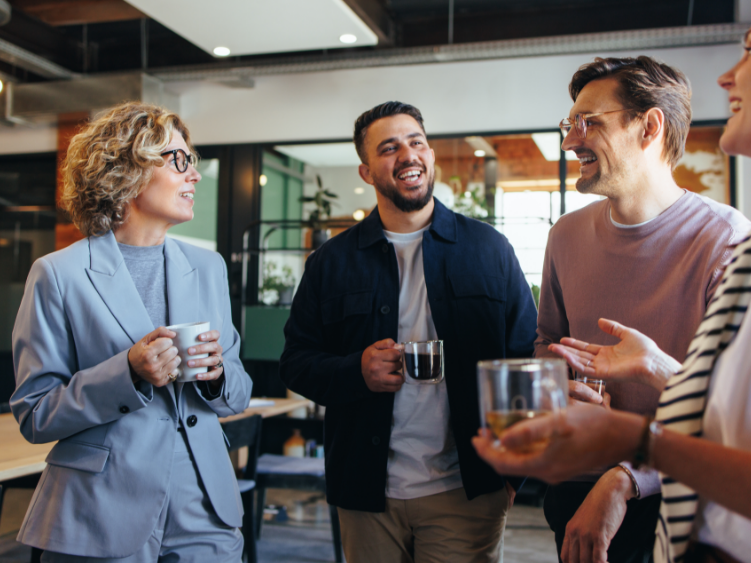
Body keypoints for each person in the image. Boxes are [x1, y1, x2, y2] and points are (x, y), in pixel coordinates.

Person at [473, 35, 751, 563]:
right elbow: (547, 344)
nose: (570, 141)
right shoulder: (566, 234)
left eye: (590, 123)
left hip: (677, 491)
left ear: (648, 127)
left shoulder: (727, 240)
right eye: (569, 124)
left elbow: (725, 414)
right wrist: (560, 388)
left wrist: (628, 474)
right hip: (575, 482)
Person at [279, 101, 538, 563]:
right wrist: (356, 370)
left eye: (416, 142)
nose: (408, 155)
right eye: (389, 148)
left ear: (431, 155)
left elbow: (525, 358)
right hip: (366, 492)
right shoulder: (330, 263)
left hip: (467, 490)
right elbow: (297, 362)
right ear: (366, 170)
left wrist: (512, 475)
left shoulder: (489, 250)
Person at [10, 102, 252, 562]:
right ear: (126, 171)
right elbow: (35, 413)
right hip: (100, 509)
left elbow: (237, 393)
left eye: (191, 161)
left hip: (204, 508)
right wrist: (128, 373)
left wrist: (217, 375)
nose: (194, 175)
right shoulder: (58, 274)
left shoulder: (208, 267)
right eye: (176, 160)